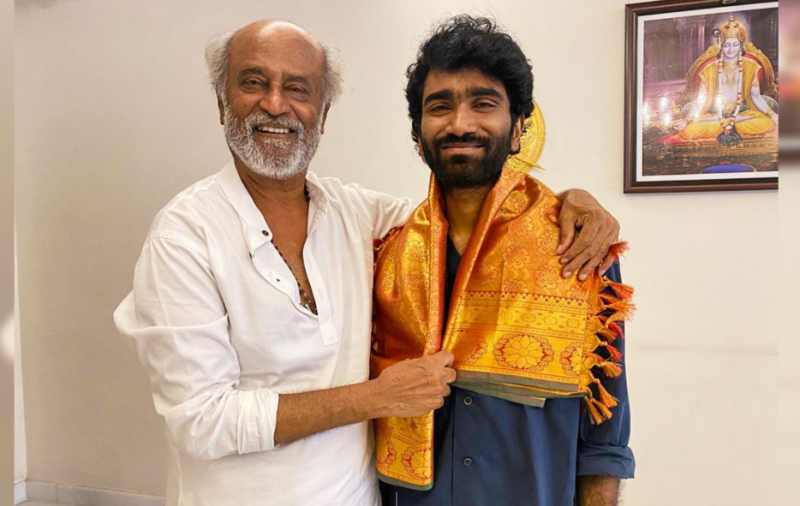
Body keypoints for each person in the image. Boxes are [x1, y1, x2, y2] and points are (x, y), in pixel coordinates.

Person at [114, 19, 623, 506]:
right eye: (253, 82)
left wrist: (572, 202)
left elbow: (603, 433)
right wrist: (378, 397)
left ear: (322, 113)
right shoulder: (184, 237)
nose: (275, 104)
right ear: (222, 102)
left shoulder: (364, 219)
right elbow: (201, 421)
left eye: (298, 88)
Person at [372, 16, 634, 506]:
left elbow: (604, 431)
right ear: (418, 136)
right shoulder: (388, 256)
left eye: (483, 103)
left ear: (517, 129)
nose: (460, 124)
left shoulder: (576, 246)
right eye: (439, 106)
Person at [673, 16, 778, 145]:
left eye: (735, 45)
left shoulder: (750, 66)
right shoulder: (709, 69)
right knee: (690, 130)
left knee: (766, 123)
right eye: (727, 45)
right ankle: (728, 125)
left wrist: (772, 114)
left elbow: (755, 96)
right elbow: (702, 100)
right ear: (721, 46)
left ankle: (729, 124)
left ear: (741, 46)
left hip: (742, 113)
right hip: (716, 114)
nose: (731, 49)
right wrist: (687, 120)